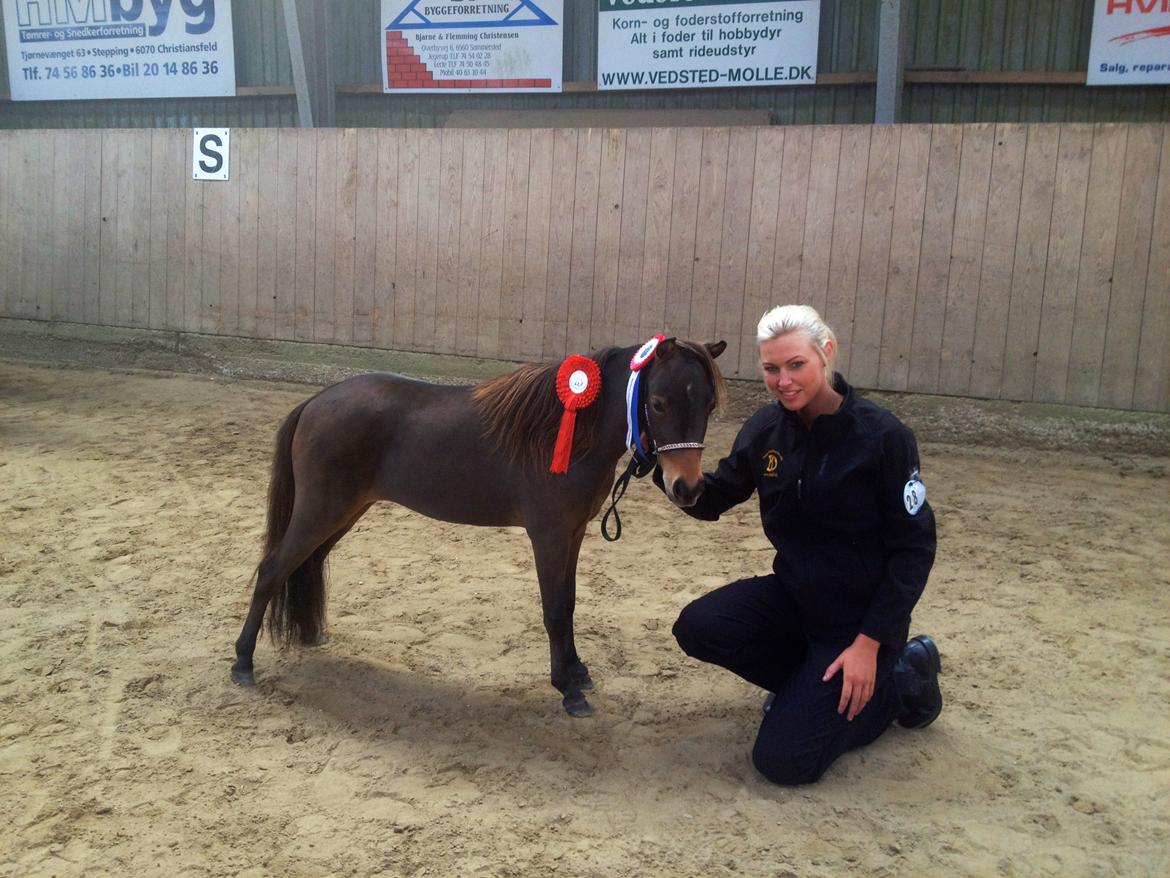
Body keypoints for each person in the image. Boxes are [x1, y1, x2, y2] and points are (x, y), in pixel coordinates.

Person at [657, 304, 942, 785]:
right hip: (794, 601)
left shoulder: (884, 437)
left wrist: (869, 645)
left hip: (857, 627)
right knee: (699, 627)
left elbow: (914, 550)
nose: (783, 380)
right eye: (771, 368)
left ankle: (901, 680)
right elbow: (714, 499)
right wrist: (663, 463)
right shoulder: (765, 430)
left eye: (796, 365)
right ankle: (807, 689)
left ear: (825, 354)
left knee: (784, 763)